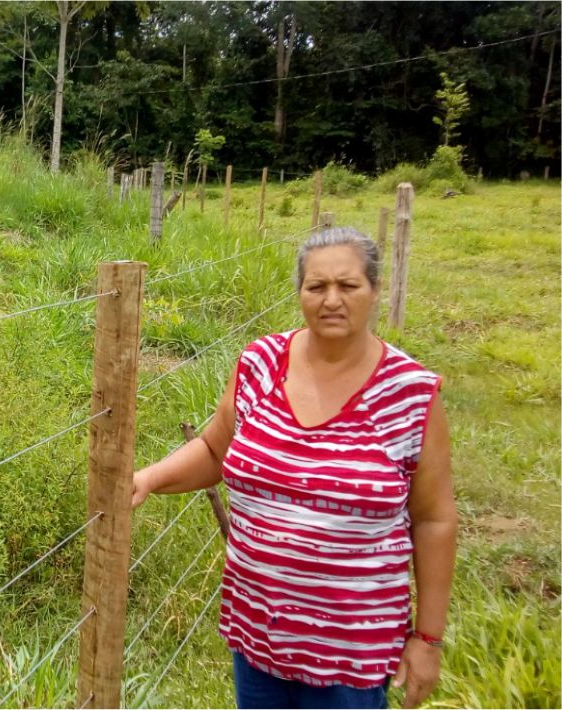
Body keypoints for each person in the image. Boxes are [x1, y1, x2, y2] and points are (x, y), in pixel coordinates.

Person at [132, 227, 457, 709]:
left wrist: (427, 639)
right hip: (259, 632)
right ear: (300, 293)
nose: (332, 300)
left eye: (348, 286)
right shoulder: (260, 364)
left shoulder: (409, 394)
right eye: (316, 286)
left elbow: (434, 520)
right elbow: (215, 451)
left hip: (353, 652)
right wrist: (147, 479)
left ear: (373, 290)